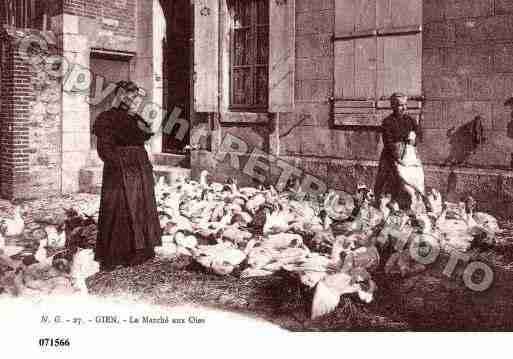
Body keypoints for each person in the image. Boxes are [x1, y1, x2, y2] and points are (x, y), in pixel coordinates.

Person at [92, 80, 162, 271]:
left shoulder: (137, 120)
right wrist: (120, 165)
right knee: (120, 208)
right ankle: (118, 254)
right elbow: (104, 150)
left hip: (139, 169)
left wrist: (143, 166)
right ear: (119, 97)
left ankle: (141, 251)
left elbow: (142, 140)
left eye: (136, 97)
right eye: (129, 96)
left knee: (141, 207)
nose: (132, 100)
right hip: (120, 171)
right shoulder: (106, 119)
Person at [374, 93, 425, 211]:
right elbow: (388, 141)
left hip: (408, 155)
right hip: (391, 156)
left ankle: (407, 206)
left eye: (405, 105)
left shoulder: (410, 120)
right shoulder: (388, 122)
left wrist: (414, 139)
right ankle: (382, 205)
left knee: (411, 179)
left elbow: (419, 134)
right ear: (393, 106)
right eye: (400, 105)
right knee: (387, 180)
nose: (403, 108)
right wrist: (398, 156)